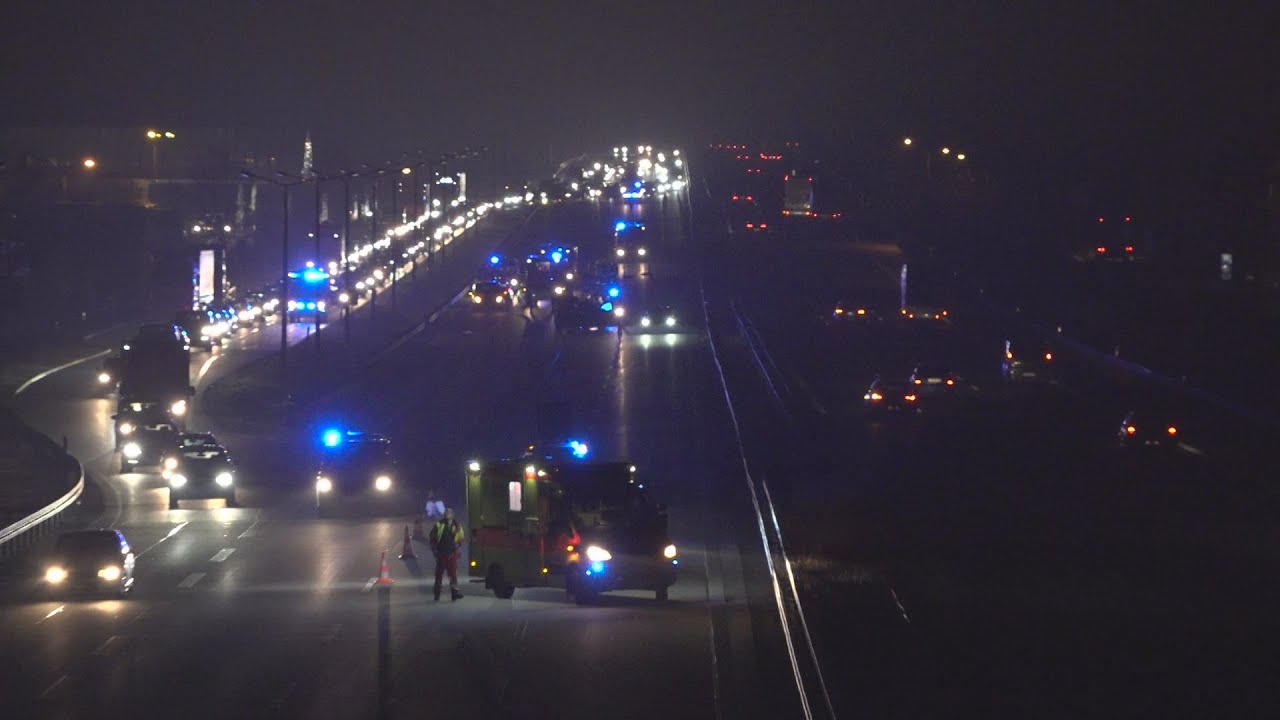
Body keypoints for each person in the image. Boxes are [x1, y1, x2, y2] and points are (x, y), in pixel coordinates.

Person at [429, 508, 464, 601]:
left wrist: (457, 547)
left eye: (449, 513)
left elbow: (461, 538)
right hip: (441, 554)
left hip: (452, 554)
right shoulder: (439, 525)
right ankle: (437, 593)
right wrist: (434, 551)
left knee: (453, 575)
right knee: (439, 575)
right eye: (446, 513)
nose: (447, 514)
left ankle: (454, 593)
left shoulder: (457, 526)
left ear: (453, 515)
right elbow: (432, 538)